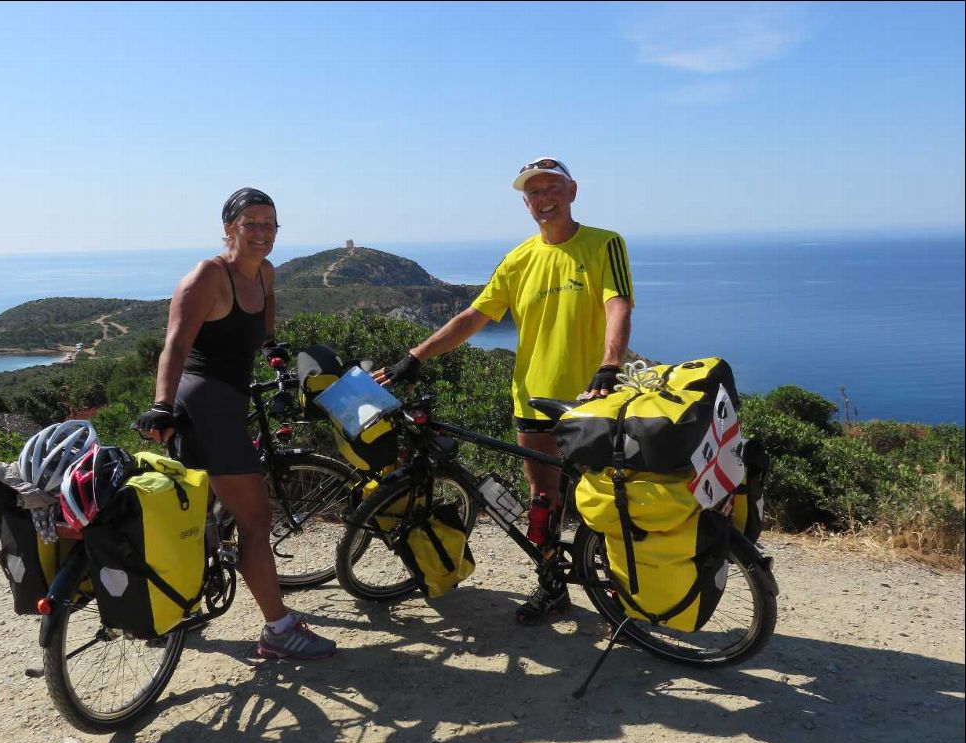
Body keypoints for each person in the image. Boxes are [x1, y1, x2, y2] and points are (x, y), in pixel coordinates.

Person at [374, 157, 634, 625]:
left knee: (604, 497)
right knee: (543, 499)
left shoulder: (604, 244)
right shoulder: (518, 259)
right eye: (532, 193)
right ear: (525, 203)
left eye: (551, 188)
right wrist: (415, 356)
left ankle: (622, 586)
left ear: (572, 191)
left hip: (592, 397)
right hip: (533, 398)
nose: (542, 199)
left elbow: (617, 304)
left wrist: (610, 364)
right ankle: (552, 585)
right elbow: (473, 318)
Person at [135, 187, 337, 660]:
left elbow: (264, 325)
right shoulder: (208, 276)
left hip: (231, 399)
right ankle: (279, 630)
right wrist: (162, 404)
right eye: (252, 224)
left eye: (270, 224)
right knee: (255, 517)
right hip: (203, 404)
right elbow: (175, 348)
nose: (262, 233)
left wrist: (272, 351)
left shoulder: (264, 273)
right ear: (229, 229)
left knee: (204, 514)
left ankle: (174, 601)